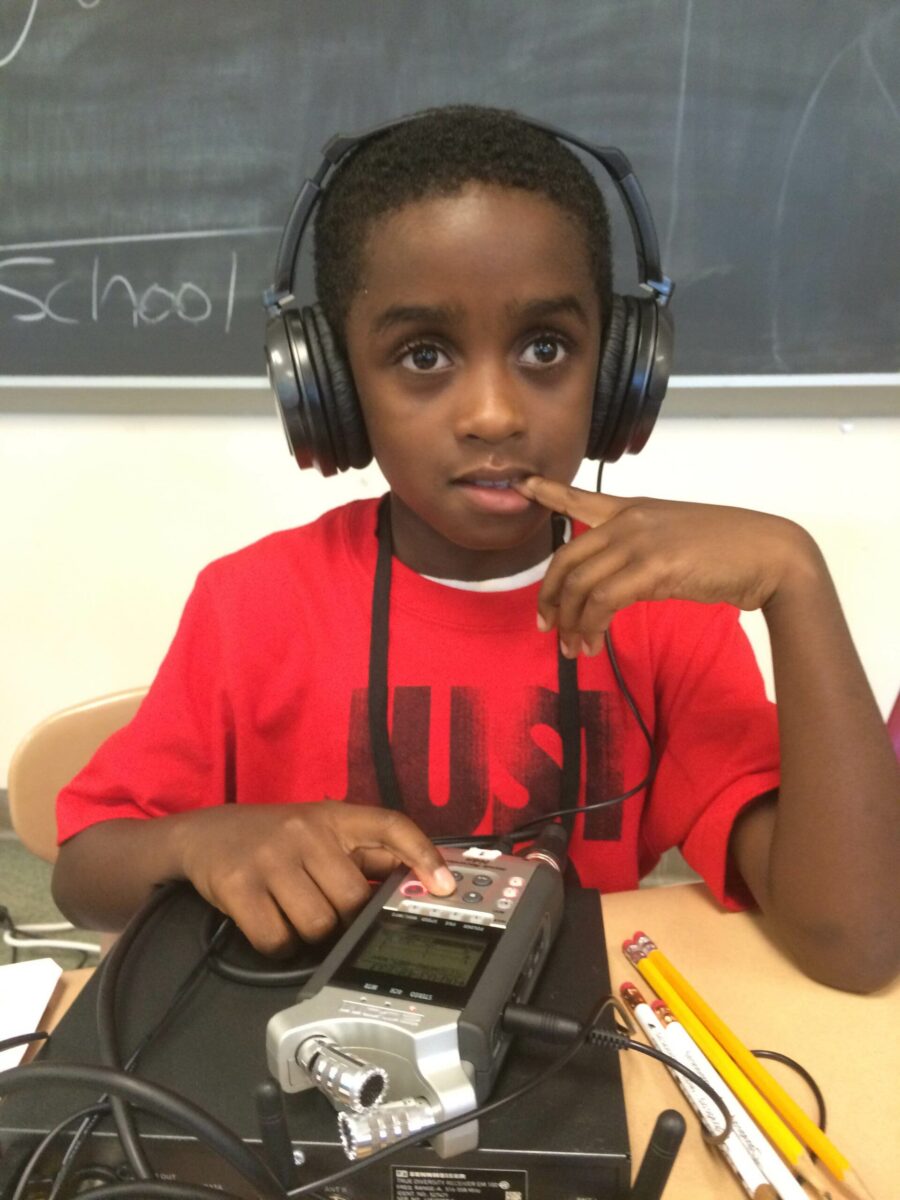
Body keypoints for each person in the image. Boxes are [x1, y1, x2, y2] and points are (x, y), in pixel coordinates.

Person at [52, 106, 899, 994]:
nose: (494, 413)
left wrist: (797, 579)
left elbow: (857, 944)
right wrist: (197, 841)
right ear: (334, 388)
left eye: (545, 347)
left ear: (616, 377)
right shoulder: (253, 604)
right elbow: (82, 874)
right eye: (423, 355)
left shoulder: (664, 617)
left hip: (568, 1060)